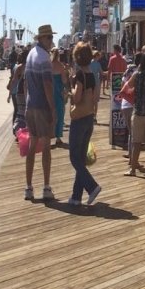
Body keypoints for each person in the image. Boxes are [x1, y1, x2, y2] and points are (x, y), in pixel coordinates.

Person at [23, 25, 57, 201]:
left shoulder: (30, 54)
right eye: (49, 38)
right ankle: (46, 186)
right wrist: (53, 109)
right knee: (46, 147)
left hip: (30, 105)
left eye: (51, 37)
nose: (51, 41)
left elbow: (25, 83)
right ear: (42, 39)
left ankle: (28, 187)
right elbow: (48, 86)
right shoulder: (44, 58)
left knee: (32, 144)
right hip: (42, 107)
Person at [67, 42, 102, 206]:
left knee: (74, 157)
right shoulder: (92, 75)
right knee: (80, 158)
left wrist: (71, 89)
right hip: (89, 117)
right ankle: (76, 197)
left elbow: (77, 98)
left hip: (79, 119)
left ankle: (92, 186)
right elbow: (95, 99)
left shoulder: (80, 76)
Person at [50, 48, 68, 148]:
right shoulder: (60, 66)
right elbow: (64, 80)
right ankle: (58, 137)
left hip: (49, 92)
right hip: (58, 92)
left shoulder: (48, 65)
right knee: (60, 114)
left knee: (49, 115)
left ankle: (48, 135)